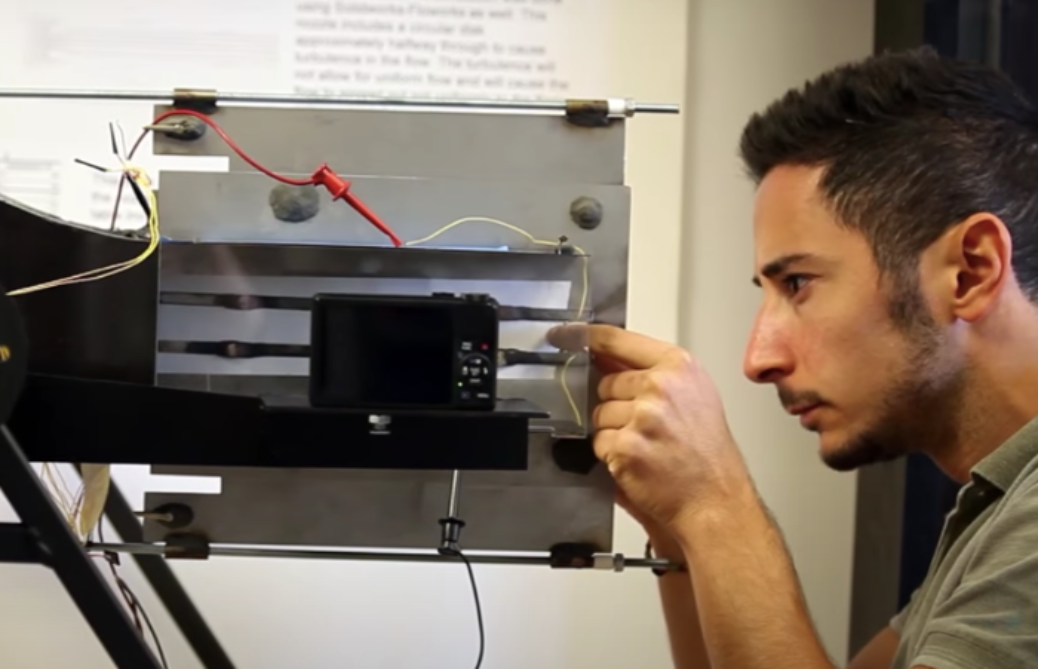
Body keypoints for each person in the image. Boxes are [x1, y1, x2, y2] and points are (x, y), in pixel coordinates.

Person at [549, 46, 1038, 669]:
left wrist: (715, 503)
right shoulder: (995, 512)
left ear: (970, 271)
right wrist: (678, 532)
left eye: (799, 284)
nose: (757, 359)